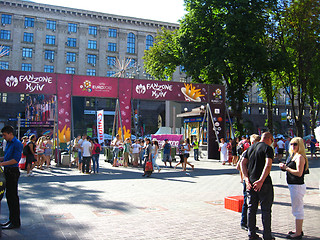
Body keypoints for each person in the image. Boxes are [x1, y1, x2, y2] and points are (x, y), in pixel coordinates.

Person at [241, 132, 275, 240]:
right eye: (272, 140)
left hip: (250, 183)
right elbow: (268, 164)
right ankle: (267, 235)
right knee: (266, 210)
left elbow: (242, 163)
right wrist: (261, 180)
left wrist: (246, 178)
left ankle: (251, 234)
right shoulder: (268, 149)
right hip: (264, 184)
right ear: (269, 139)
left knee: (251, 208)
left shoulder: (250, 148)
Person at [279, 137, 308, 240]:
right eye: (291, 144)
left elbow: (299, 173)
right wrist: (284, 167)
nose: (293, 146)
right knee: (296, 208)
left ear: (300, 145)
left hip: (297, 185)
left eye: (295, 144)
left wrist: (286, 168)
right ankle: (298, 230)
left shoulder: (300, 157)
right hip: (293, 185)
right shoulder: (293, 156)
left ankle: (298, 233)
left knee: (298, 209)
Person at [0, 126, 23, 229]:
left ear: (10, 133)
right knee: (9, 197)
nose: (3, 137)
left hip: (13, 172)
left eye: (4, 135)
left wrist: (1, 163)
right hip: (7, 171)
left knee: (13, 197)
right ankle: (11, 219)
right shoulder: (8, 143)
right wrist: (1, 160)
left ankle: (15, 222)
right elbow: (7, 157)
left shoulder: (17, 143)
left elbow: (15, 160)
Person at [237, 134, 260, 231]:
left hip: (254, 180)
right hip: (249, 180)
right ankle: (244, 222)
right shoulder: (247, 152)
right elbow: (238, 166)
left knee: (253, 203)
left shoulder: (257, 151)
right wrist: (245, 175)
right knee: (247, 202)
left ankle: (251, 223)